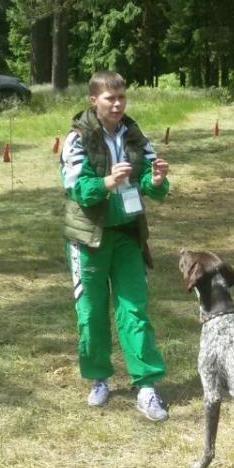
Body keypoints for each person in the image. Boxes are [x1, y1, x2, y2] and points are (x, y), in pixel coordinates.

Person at [60, 70, 170, 421]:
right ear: (94, 100)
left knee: (134, 310)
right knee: (91, 314)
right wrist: (107, 181)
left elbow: (152, 184)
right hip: (88, 237)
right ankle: (99, 378)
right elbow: (76, 188)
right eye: (111, 98)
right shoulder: (77, 138)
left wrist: (156, 180)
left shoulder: (134, 134)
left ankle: (147, 385)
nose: (118, 104)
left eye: (122, 97)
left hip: (127, 235)